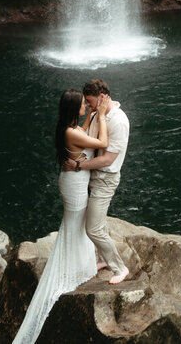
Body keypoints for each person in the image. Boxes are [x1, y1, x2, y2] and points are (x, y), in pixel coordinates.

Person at [12, 89, 109, 344]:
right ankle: (76, 271)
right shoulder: (70, 132)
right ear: (73, 107)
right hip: (75, 186)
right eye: (82, 104)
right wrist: (103, 115)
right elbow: (101, 144)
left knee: (78, 226)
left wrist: (92, 115)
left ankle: (86, 266)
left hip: (73, 181)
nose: (84, 106)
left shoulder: (68, 127)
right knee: (75, 226)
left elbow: (84, 131)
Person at [64, 78, 130, 285]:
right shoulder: (96, 114)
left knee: (92, 228)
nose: (87, 106)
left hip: (105, 178)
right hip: (91, 176)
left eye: (90, 102)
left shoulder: (118, 120)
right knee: (96, 222)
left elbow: (108, 158)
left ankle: (120, 268)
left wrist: (78, 166)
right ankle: (104, 259)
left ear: (102, 97)